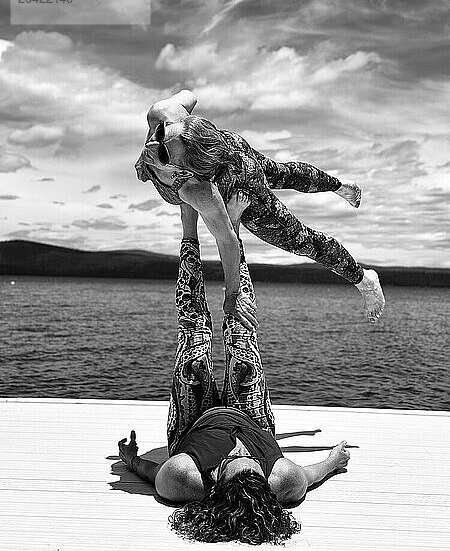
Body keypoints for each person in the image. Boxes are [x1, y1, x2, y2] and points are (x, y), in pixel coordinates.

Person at [118, 192, 351, 545]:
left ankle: (189, 226)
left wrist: (132, 461)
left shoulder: (183, 478)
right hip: (252, 418)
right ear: (266, 481)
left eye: (230, 462)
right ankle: (233, 230)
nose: (239, 450)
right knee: (242, 331)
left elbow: (151, 473)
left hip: (194, 421)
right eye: (250, 461)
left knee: (194, 332)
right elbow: (313, 473)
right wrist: (334, 460)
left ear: (215, 484)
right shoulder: (284, 480)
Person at [134, 91, 385, 325]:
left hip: (241, 177)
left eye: (164, 153)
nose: (152, 146)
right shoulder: (163, 113)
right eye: (160, 134)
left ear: (186, 171)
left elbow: (228, 243)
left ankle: (365, 280)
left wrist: (232, 296)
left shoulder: (200, 192)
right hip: (228, 144)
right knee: (282, 172)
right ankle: (340, 186)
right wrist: (168, 128)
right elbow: (190, 95)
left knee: (300, 239)